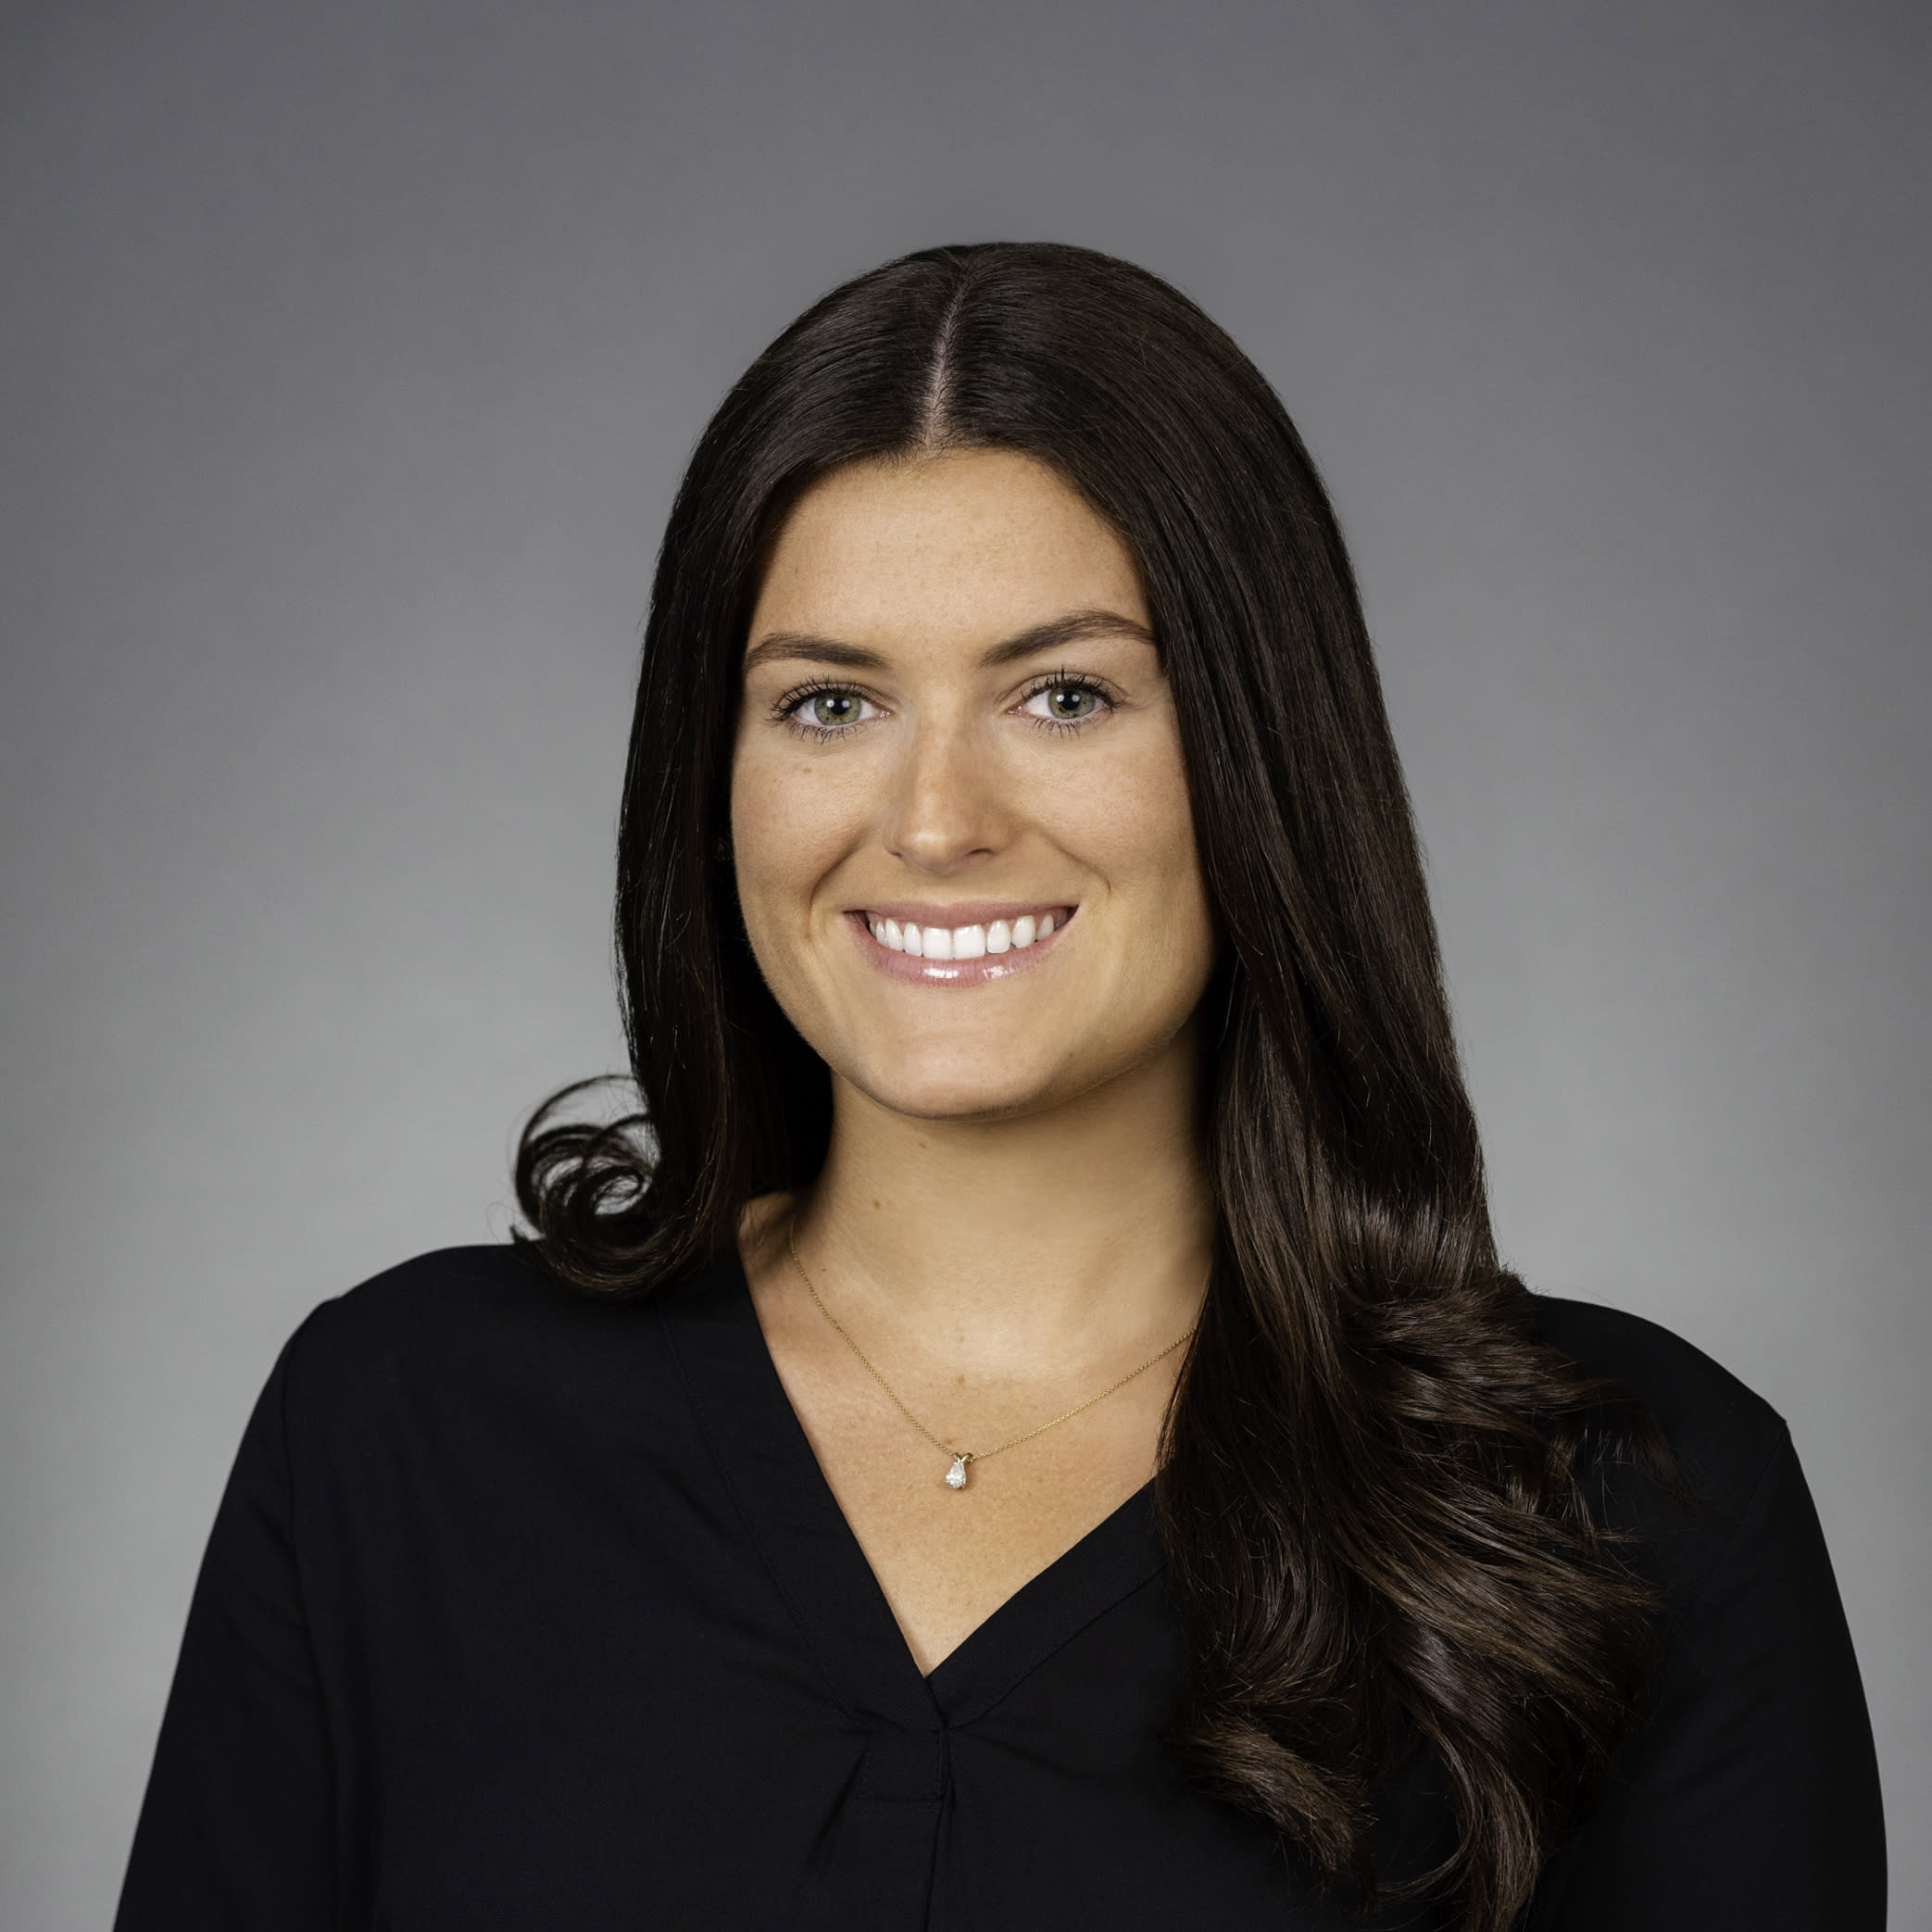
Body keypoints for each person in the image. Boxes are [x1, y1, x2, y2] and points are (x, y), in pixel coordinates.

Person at [115, 243, 1885, 1931]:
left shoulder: (1625, 1510)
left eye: (1062, 694)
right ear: (711, 777)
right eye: (829, 705)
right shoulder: (400, 1433)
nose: (935, 820)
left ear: (1258, 756)